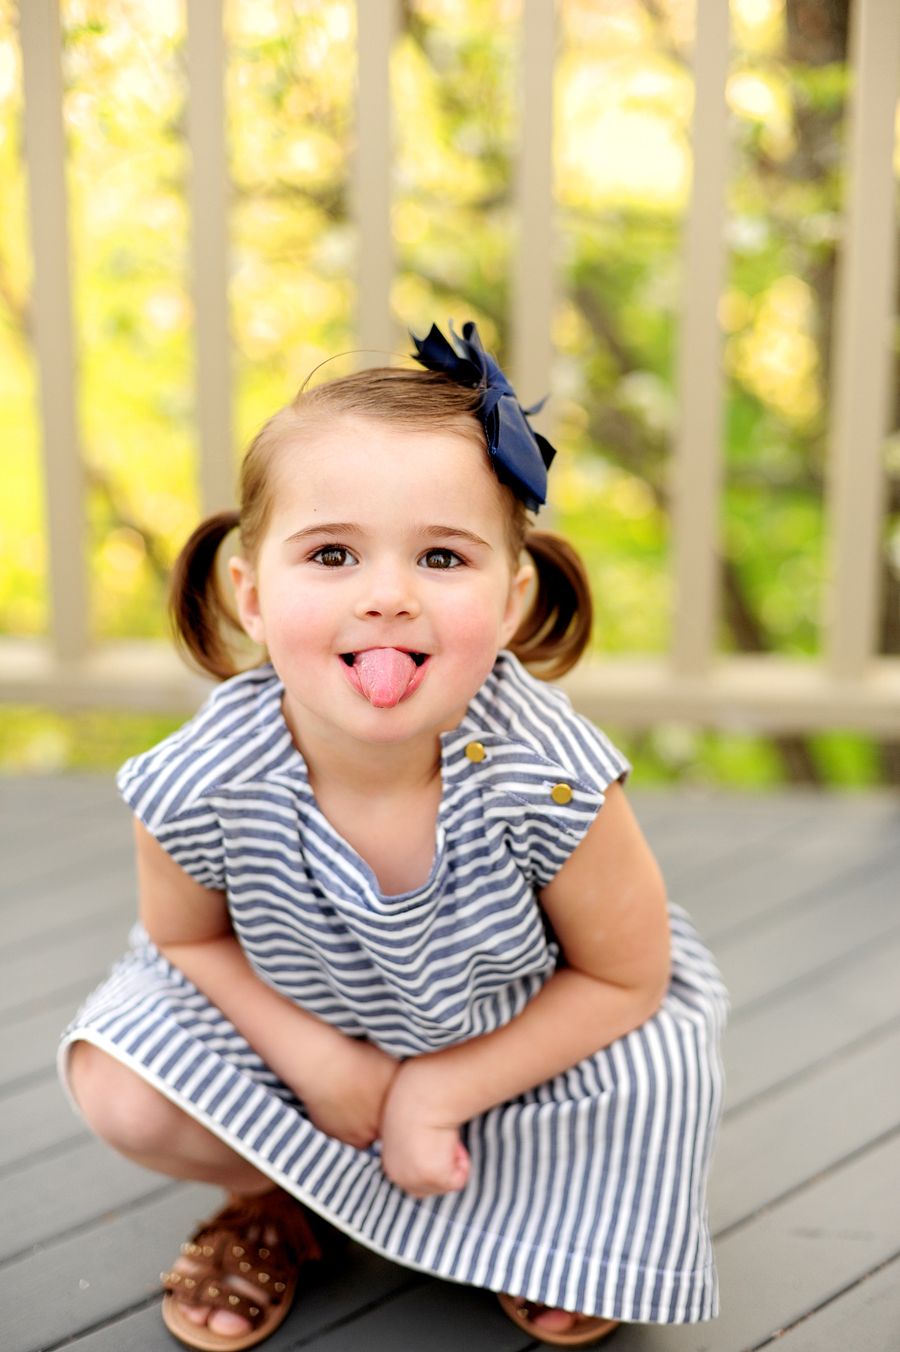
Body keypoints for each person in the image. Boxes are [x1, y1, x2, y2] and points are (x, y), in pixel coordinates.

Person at [61, 323, 727, 1350]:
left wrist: (440, 1087)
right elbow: (186, 941)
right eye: (331, 552)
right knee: (121, 1078)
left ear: (510, 601)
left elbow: (625, 978)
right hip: (297, 1029)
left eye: (441, 555)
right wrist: (321, 1061)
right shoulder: (205, 776)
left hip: (518, 1042)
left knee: (654, 1074)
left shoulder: (547, 777)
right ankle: (276, 1192)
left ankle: (551, 1216)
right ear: (251, 591)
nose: (387, 592)